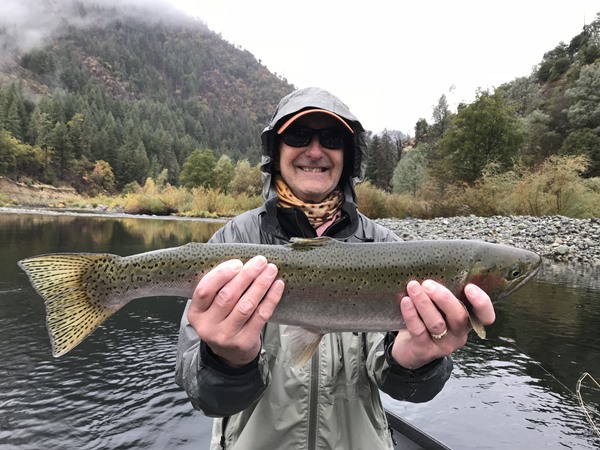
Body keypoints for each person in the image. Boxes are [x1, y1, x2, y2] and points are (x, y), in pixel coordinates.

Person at [175, 87, 495, 449]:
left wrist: (416, 364)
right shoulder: (233, 241)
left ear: (348, 155)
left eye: (331, 138)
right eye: (298, 136)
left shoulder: (386, 248)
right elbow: (204, 396)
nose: (315, 150)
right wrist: (225, 362)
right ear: (276, 151)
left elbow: (409, 390)